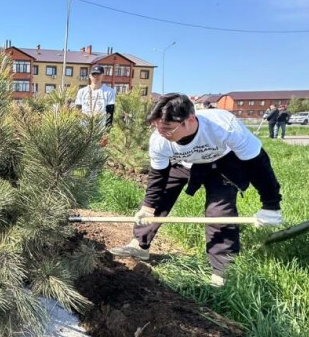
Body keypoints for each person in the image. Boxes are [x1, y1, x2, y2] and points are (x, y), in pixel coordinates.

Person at [108, 94, 283, 287]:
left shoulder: (225, 127)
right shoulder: (160, 139)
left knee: (219, 212)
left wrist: (271, 205)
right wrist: (147, 207)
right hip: (184, 163)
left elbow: (258, 166)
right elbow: (158, 177)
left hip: (222, 162)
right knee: (159, 200)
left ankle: (222, 270)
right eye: (158, 127)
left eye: (168, 129)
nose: (162, 133)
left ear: (190, 119)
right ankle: (140, 245)